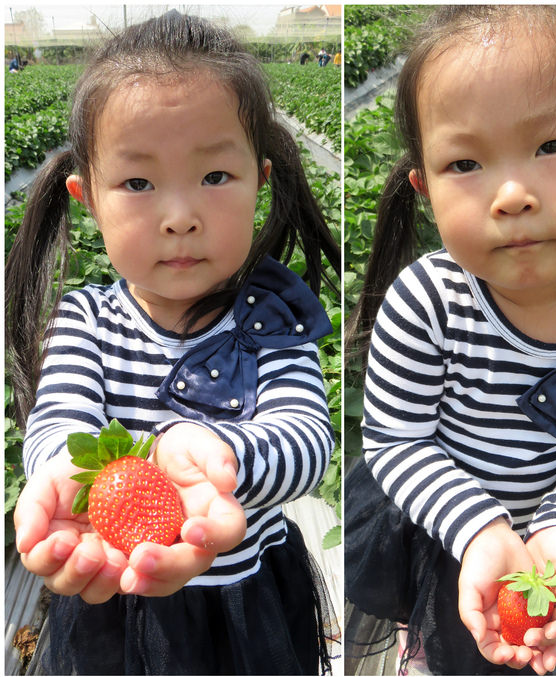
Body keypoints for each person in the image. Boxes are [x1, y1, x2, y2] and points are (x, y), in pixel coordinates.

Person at [344, 5, 556, 675]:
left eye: (552, 147)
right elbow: (396, 441)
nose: (512, 195)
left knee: (530, 650)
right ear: (426, 188)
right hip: (445, 520)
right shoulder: (429, 301)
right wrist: (480, 527)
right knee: (453, 645)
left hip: (547, 524)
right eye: (465, 162)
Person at [7, 11, 341, 674]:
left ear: (260, 183)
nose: (180, 216)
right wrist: (62, 478)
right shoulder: (88, 321)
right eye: (137, 183)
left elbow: (308, 440)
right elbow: (56, 426)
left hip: (248, 600)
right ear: (89, 200)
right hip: (115, 603)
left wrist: (219, 454)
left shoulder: (270, 318)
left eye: (216, 177)